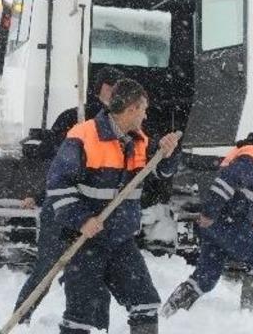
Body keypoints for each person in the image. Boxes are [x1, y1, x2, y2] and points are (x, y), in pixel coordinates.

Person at [47, 79, 180, 334]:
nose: (145, 114)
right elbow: (58, 185)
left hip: (120, 241)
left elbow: (162, 172)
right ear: (131, 108)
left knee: (145, 303)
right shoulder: (83, 135)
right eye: (143, 108)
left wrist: (169, 152)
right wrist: (82, 219)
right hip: (84, 240)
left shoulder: (140, 141)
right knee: (82, 316)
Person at [11, 66, 124, 325]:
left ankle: (97, 325)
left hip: (94, 211)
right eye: (111, 86)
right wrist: (38, 195)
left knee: (96, 271)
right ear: (100, 88)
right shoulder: (73, 118)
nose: (115, 93)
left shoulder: (119, 127)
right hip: (61, 207)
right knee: (47, 267)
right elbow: (55, 167)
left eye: (119, 88)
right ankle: (21, 319)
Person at [160, 118, 253, 317]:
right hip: (231, 223)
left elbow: (246, 189)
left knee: (205, 279)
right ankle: (249, 320)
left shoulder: (247, 152)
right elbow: (226, 181)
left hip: (216, 226)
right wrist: (209, 212)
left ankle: (169, 313)